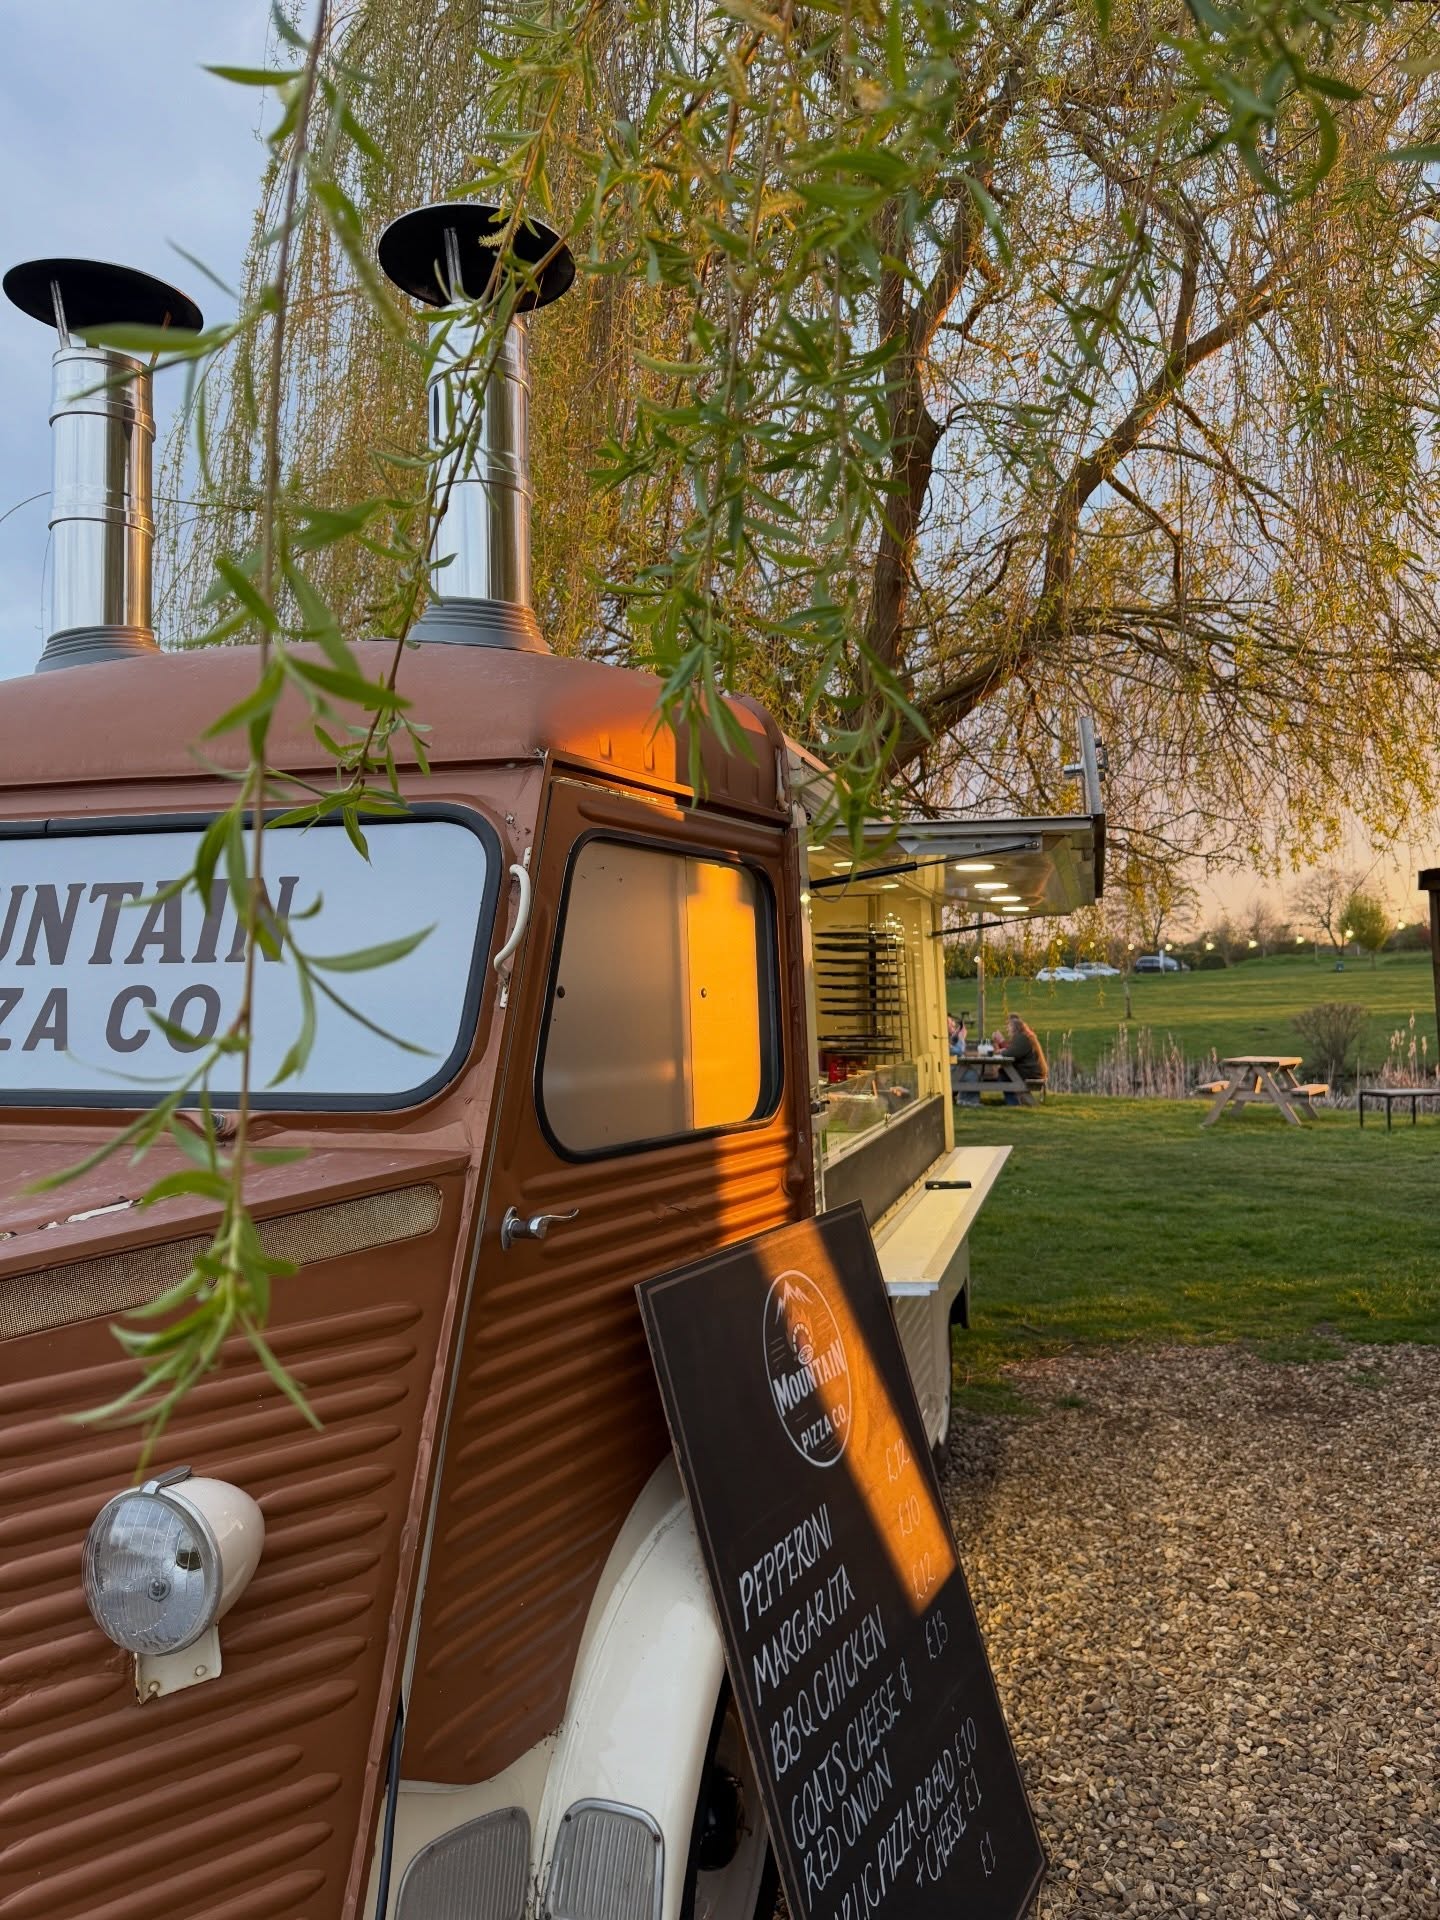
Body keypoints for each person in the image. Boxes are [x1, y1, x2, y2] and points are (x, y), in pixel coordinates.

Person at [1003, 1012, 1047, 1103]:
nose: (1007, 1029)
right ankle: (1015, 1100)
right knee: (1005, 1071)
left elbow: (1009, 1054)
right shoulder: (1026, 1035)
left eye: (1009, 1026)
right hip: (1035, 1071)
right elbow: (1014, 1051)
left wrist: (1001, 1047)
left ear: (1015, 1027)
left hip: (1033, 1073)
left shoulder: (1022, 1038)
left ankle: (1013, 1102)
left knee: (1003, 1073)